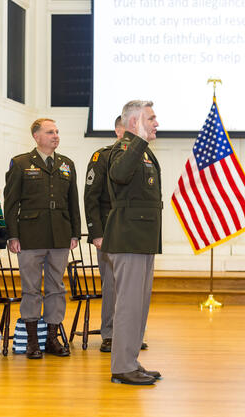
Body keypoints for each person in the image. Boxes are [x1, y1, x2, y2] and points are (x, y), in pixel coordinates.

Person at [4, 118, 80, 359]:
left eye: (57, 131)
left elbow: (73, 203)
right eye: (50, 132)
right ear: (36, 136)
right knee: (31, 289)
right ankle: (32, 342)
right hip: (29, 236)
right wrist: (12, 235)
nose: (55, 135)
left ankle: (51, 339)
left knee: (56, 288)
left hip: (60, 235)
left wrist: (75, 232)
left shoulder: (66, 164)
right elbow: (11, 203)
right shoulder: (21, 163)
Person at [102, 101, 162, 385]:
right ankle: (122, 367)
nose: (156, 123)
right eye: (151, 118)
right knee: (127, 305)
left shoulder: (142, 150)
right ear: (136, 121)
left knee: (139, 305)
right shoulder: (124, 148)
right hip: (128, 237)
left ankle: (131, 361)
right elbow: (119, 175)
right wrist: (137, 138)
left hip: (142, 239)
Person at [84, 115, 148, 353]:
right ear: (118, 131)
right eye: (128, 130)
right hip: (110, 233)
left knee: (133, 289)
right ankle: (110, 334)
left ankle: (129, 335)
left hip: (133, 233)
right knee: (112, 286)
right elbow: (91, 198)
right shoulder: (103, 156)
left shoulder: (141, 157)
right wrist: (96, 234)